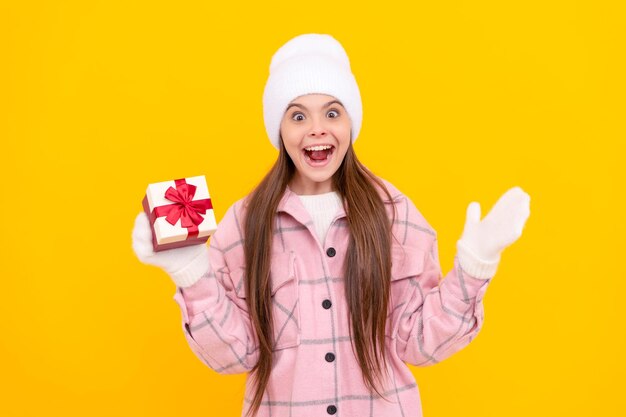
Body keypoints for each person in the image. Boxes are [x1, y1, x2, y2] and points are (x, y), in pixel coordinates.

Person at [132, 33, 531, 417]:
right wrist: (190, 271)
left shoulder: (394, 211)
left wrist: (475, 266)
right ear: (280, 130)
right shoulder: (243, 223)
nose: (317, 128)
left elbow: (418, 343)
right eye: (298, 115)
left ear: (350, 125)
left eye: (333, 112)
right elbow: (238, 356)